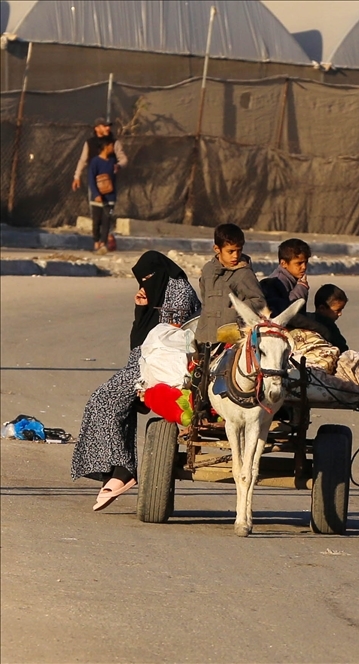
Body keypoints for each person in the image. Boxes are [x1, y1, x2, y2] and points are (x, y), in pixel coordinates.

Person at [72, 251, 201, 510]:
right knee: (108, 401)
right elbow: (141, 334)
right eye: (141, 280)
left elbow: (166, 338)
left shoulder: (179, 291)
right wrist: (142, 307)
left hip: (163, 364)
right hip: (144, 360)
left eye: (149, 278)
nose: (145, 283)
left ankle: (121, 472)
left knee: (105, 399)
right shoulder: (158, 287)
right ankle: (119, 470)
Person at [196, 223, 267, 345]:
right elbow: (205, 300)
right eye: (231, 251)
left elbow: (259, 302)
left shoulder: (244, 273)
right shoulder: (208, 270)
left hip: (232, 338)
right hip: (205, 335)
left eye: (239, 251)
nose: (235, 256)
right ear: (217, 249)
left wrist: (239, 307)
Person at [73, 118, 128, 250]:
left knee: (107, 215)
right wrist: (77, 176)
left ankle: (105, 240)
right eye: (104, 126)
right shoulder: (90, 143)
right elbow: (83, 160)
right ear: (97, 128)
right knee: (96, 215)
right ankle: (97, 240)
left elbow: (123, 158)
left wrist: (118, 166)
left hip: (109, 187)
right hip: (95, 185)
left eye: (109, 126)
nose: (108, 128)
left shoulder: (114, 143)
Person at [260, 238, 311, 317]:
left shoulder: (292, 279)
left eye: (306, 262)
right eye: (299, 263)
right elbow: (288, 311)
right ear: (283, 263)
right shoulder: (277, 283)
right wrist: (301, 287)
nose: (304, 267)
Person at [87, 137, 118, 254]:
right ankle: (96, 241)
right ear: (105, 146)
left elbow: (114, 180)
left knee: (107, 221)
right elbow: (91, 179)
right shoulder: (95, 161)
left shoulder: (112, 161)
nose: (112, 148)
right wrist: (96, 194)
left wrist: (114, 196)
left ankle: (103, 244)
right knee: (96, 221)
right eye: (111, 145)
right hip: (98, 198)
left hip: (109, 199)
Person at [313, 284, 350, 353]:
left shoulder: (307, 320)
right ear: (322, 309)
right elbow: (343, 349)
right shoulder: (330, 327)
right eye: (337, 310)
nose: (340, 314)